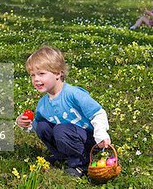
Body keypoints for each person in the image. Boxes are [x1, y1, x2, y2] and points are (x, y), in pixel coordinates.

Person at [15, 46, 111, 177]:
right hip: (68, 137)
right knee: (43, 126)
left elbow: (98, 113)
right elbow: (37, 127)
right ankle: (62, 155)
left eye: (41, 74)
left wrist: (101, 134)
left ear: (58, 73)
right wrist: (25, 124)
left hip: (90, 140)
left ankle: (81, 163)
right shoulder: (43, 104)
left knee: (61, 130)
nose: (36, 79)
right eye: (33, 75)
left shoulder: (73, 94)